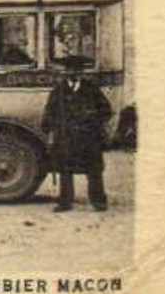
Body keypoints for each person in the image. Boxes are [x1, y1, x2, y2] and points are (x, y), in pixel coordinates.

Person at [42, 55, 113, 212]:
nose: (73, 72)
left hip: (89, 138)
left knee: (94, 170)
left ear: (81, 72)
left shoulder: (91, 89)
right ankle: (65, 202)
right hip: (66, 137)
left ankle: (98, 201)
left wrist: (92, 119)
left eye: (77, 69)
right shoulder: (59, 90)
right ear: (66, 72)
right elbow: (49, 112)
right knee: (65, 170)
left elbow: (106, 110)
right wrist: (49, 130)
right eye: (70, 69)